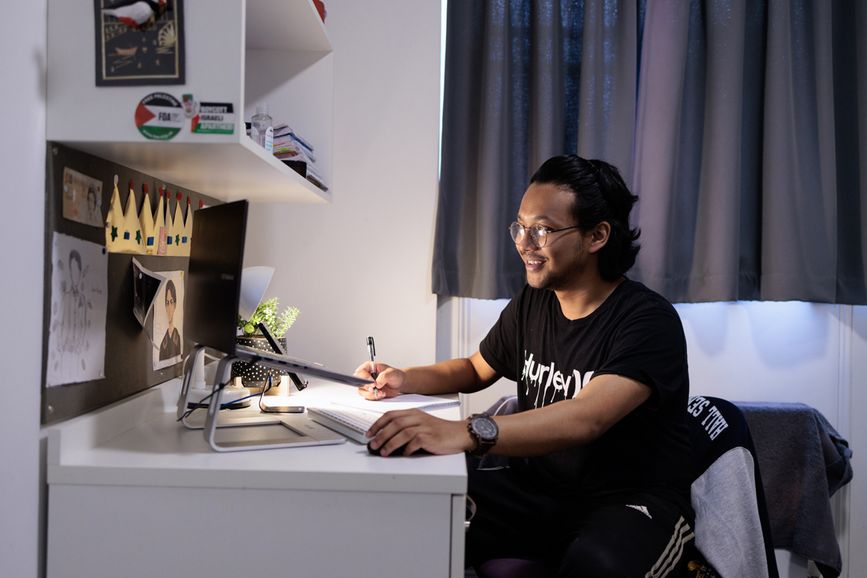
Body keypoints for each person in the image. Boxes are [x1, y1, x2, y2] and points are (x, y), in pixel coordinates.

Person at [355, 155, 694, 577]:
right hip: (542, 492)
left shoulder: (647, 320)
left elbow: (585, 418)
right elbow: (475, 368)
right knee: (420, 498)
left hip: (630, 500)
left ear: (597, 236)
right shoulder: (536, 300)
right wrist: (404, 378)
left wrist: (465, 431)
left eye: (543, 230)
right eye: (520, 226)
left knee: (599, 564)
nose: (524, 243)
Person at [159, 279, 181, 360]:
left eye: (171, 302)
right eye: (167, 303)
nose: (169, 308)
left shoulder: (178, 338)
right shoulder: (163, 344)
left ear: (175, 305)